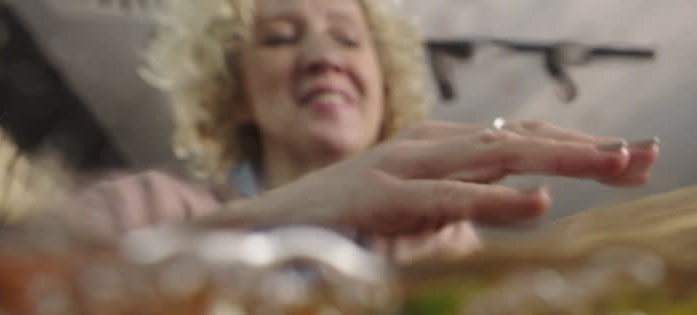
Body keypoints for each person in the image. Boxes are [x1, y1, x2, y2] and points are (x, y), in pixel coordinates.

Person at [59, 0, 660, 263]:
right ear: (234, 92)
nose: (325, 56)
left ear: (385, 83)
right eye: (280, 36)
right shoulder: (137, 208)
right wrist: (284, 214)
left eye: (348, 37)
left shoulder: (440, 243)